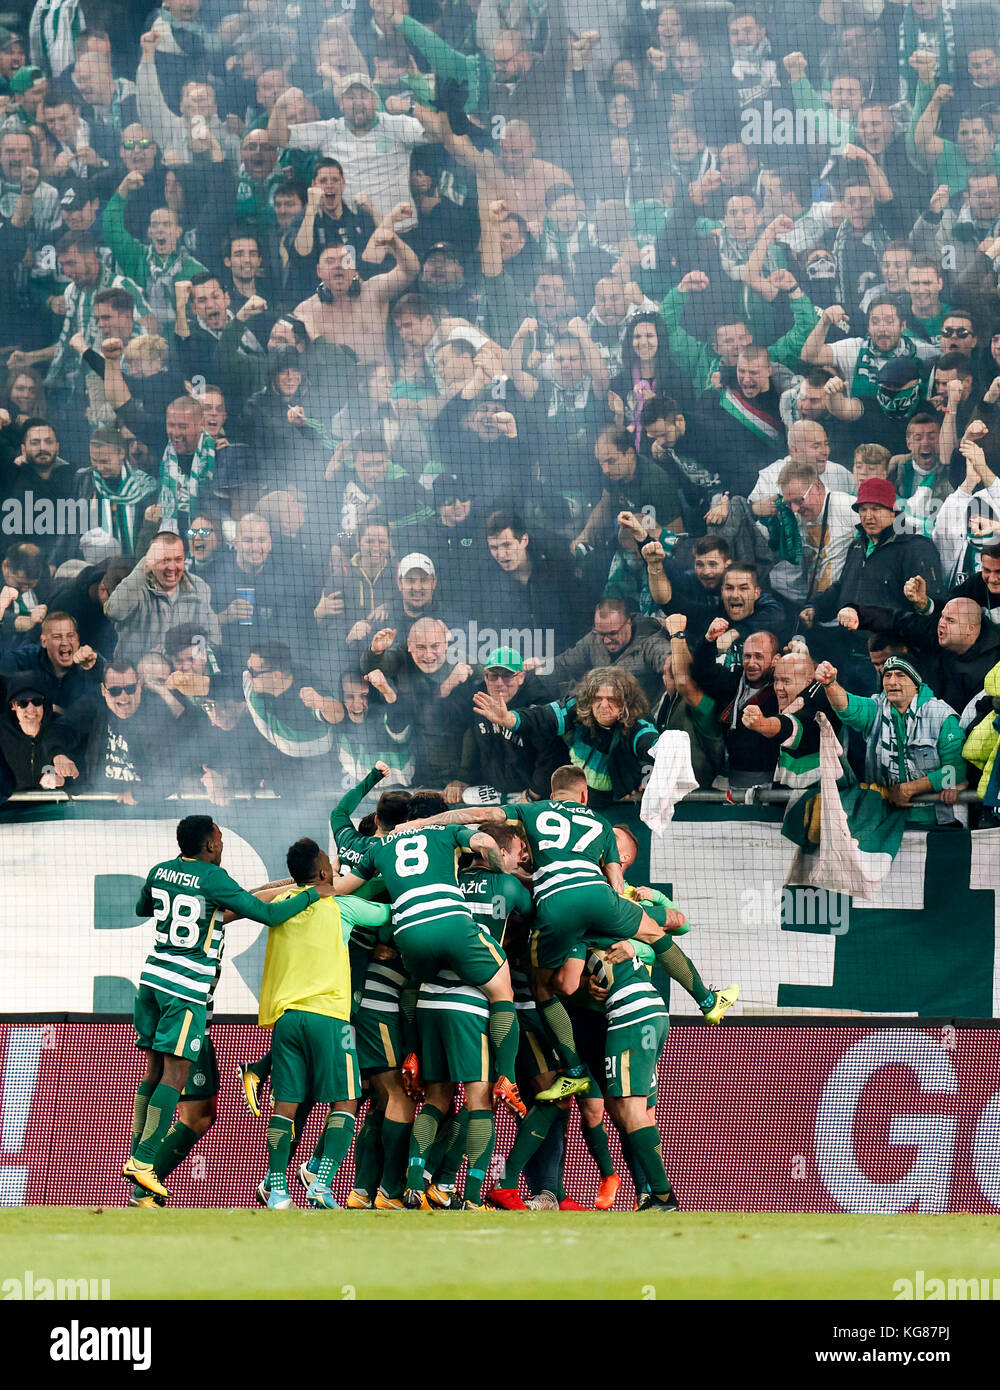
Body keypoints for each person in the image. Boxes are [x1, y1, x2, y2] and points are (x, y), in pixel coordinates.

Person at [124, 815, 323, 1199]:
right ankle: (145, 1161)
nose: (222, 844)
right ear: (211, 845)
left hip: (151, 981)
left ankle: (139, 1158)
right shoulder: (214, 878)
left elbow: (142, 908)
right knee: (175, 1074)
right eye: (219, 837)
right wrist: (315, 894)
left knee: (152, 1072)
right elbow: (268, 914)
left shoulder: (161, 870)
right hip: (185, 989)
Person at [253, 837, 391, 1211]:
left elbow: (249, 903)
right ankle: (321, 1183)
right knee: (346, 1099)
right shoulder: (341, 907)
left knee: (287, 1104)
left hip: (287, 1018)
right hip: (330, 1017)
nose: (335, 868)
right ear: (322, 872)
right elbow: (386, 915)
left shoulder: (280, 903)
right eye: (330, 863)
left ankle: (277, 1189)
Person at [814, 654, 966, 826]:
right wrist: (830, 684)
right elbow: (848, 707)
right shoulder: (875, 708)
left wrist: (909, 788)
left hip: (937, 821)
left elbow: (956, 771)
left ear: (916, 683)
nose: (892, 682)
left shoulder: (943, 716)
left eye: (900, 675)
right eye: (888, 675)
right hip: (885, 819)